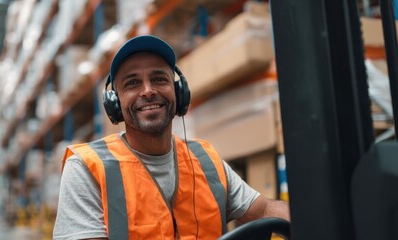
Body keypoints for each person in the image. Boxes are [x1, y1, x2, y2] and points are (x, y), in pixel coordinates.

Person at [53, 35, 290, 239]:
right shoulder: (87, 168)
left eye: (159, 79)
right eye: (133, 83)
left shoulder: (205, 160)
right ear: (115, 103)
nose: (148, 91)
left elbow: (264, 210)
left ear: (178, 93)